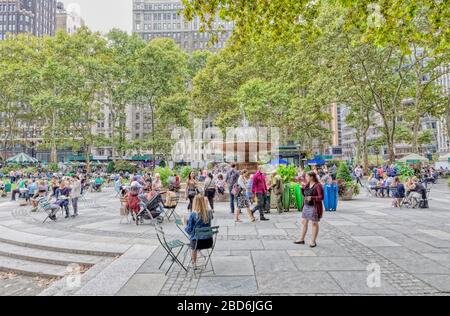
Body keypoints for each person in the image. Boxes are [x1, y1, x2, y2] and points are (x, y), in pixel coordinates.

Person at [295, 171, 324, 248]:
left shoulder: (318, 185)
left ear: (312, 177)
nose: (306, 178)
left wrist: (312, 198)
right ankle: (301, 239)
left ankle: (313, 241)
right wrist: (301, 189)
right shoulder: (307, 184)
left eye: (307, 176)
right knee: (304, 222)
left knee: (314, 223)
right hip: (306, 206)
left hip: (314, 207)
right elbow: (305, 195)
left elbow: (321, 197)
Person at [184, 194, 214, 266]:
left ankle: (194, 263)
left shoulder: (193, 214)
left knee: (194, 239)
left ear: (195, 203)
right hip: (208, 242)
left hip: (197, 244)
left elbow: (189, 231)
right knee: (198, 235)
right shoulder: (209, 213)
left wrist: (185, 223)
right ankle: (199, 253)